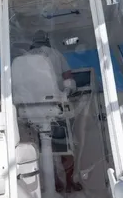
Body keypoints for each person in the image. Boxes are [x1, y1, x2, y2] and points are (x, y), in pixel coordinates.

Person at [27, 31, 83, 193]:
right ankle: (69, 182)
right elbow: (68, 78)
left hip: (32, 112)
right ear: (47, 42)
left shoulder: (24, 58)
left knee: (45, 149)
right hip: (55, 109)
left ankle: (56, 183)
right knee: (65, 146)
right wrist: (68, 90)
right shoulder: (55, 54)